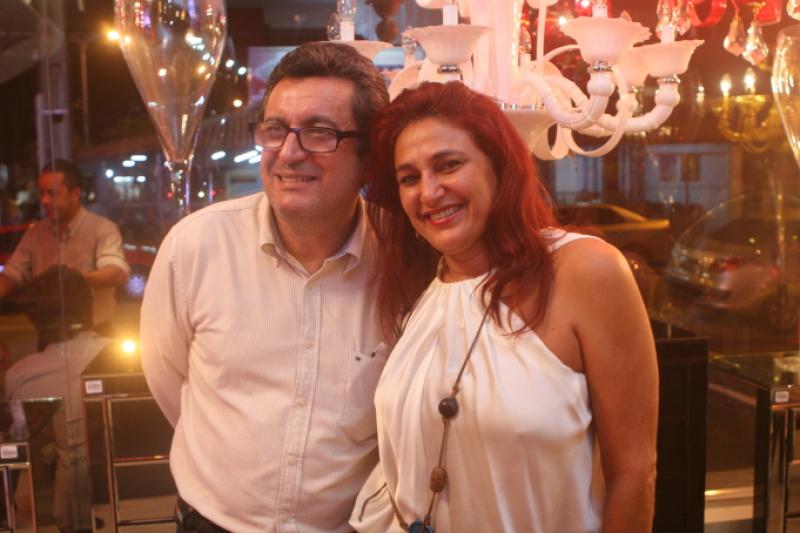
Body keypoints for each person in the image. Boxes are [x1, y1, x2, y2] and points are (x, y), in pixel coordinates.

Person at [350, 82, 659, 533]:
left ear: (500, 166)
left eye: (448, 165)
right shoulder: (422, 286)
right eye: (409, 178)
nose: (429, 192)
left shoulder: (585, 270)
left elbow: (634, 472)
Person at [139, 41, 390, 533]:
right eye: (275, 130)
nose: (289, 153)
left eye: (319, 133)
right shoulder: (196, 246)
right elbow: (168, 380)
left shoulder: (403, 257)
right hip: (213, 523)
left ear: (369, 155)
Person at [5, 265, 111, 532]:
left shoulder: (19, 375)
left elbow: (21, 437)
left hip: (41, 509)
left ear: (34, 318)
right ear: (89, 305)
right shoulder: (121, 359)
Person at [0, 159, 129, 332]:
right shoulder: (35, 234)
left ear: (75, 194)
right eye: (42, 193)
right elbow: (12, 274)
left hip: (95, 331)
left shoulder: (102, 229)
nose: (44, 200)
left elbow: (116, 272)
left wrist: (72, 280)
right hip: (49, 334)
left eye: (53, 193)